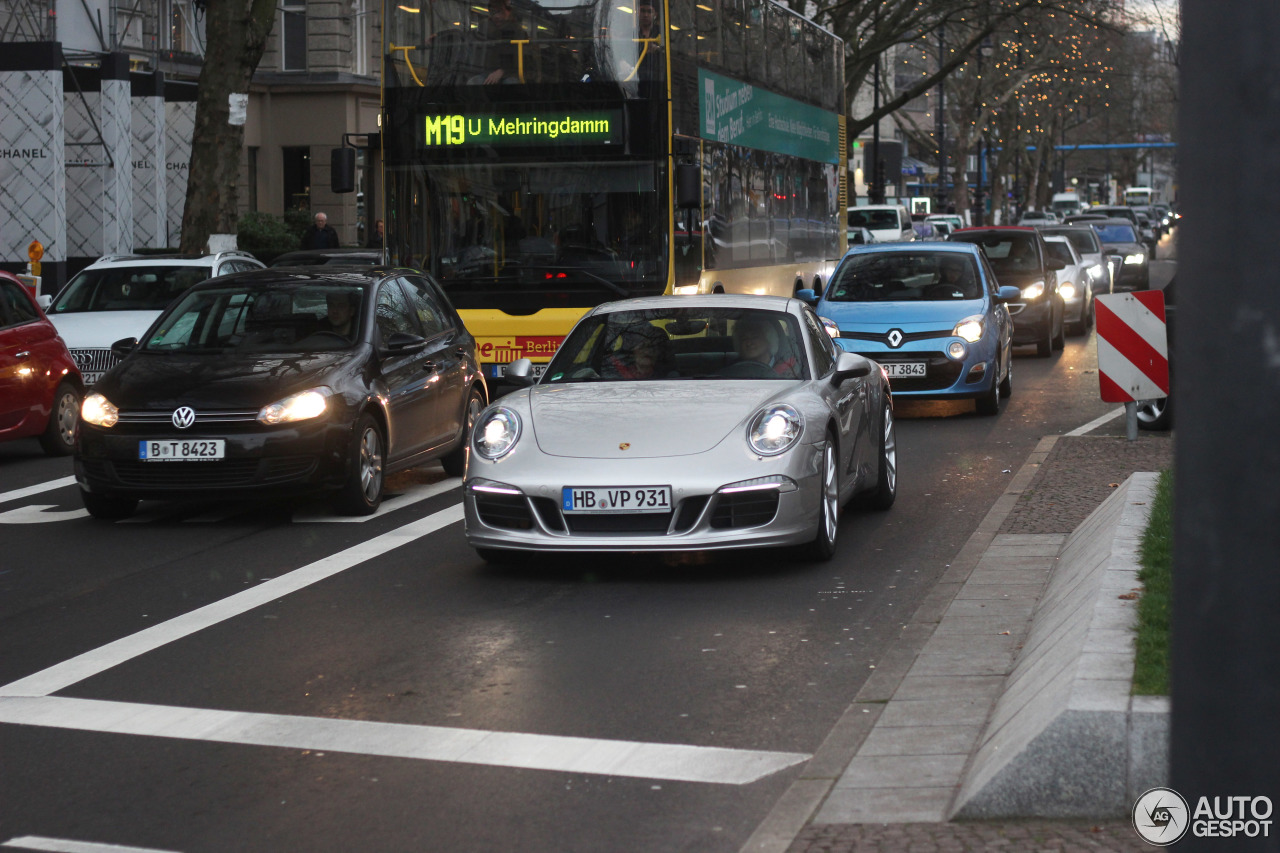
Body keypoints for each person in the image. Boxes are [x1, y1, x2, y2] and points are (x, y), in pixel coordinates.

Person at [472, 0, 521, 85]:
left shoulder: (517, 31)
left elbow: (520, 58)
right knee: (473, 82)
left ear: (508, 11)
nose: (496, 16)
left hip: (511, 73)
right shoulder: (484, 28)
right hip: (488, 71)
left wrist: (502, 71)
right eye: (492, 12)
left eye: (499, 11)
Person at [733, 316, 798, 377]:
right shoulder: (733, 370)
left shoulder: (789, 368)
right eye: (744, 338)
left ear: (768, 339)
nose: (749, 343)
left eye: (754, 337)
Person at [602, 323, 671, 379]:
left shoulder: (670, 376)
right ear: (632, 351)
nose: (648, 351)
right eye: (643, 347)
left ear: (658, 353)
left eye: (652, 347)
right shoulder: (611, 374)